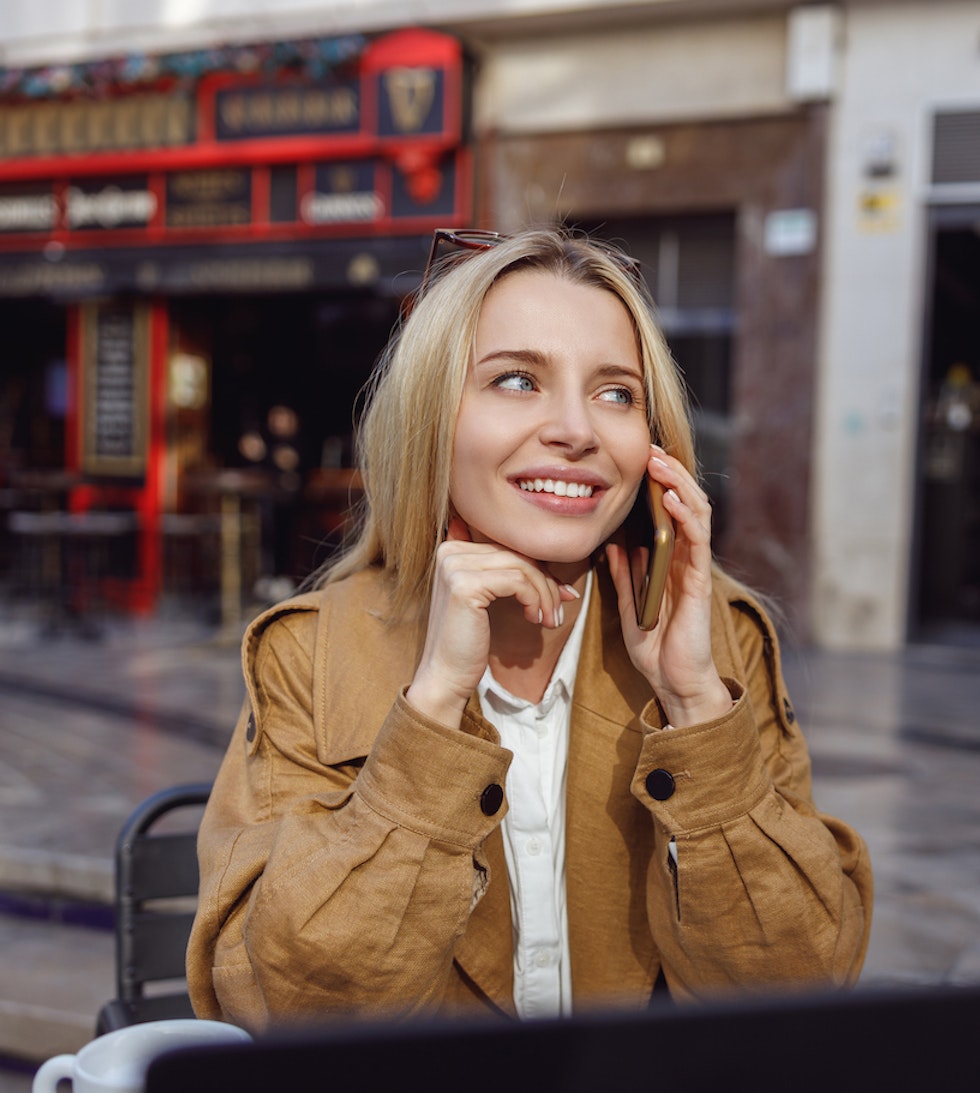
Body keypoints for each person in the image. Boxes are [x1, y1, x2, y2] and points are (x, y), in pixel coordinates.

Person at [186, 227, 872, 1030]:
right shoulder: (309, 652)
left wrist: (694, 707)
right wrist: (434, 707)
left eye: (618, 393)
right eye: (517, 380)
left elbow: (803, 987)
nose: (577, 430)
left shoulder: (722, 648)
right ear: (429, 422)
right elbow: (282, 1009)